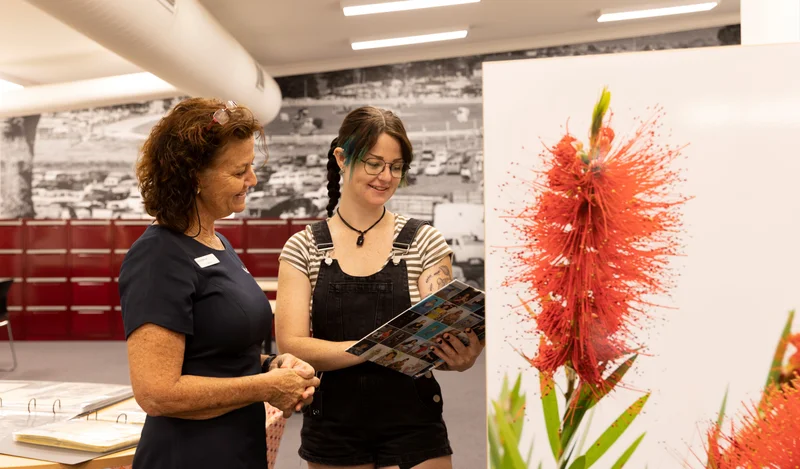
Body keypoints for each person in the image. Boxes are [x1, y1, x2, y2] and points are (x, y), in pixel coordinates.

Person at [276, 105, 484, 469]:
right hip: (333, 427)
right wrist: (382, 348)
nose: (385, 176)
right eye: (373, 163)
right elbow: (293, 345)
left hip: (414, 423)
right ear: (342, 158)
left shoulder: (424, 242)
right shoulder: (303, 247)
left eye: (396, 166)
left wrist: (460, 358)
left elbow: (443, 332)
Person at [119, 97, 320, 469]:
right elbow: (157, 393)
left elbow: (217, 356)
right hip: (187, 455)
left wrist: (273, 365)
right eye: (239, 170)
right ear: (194, 176)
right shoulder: (158, 257)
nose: (252, 180)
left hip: (237, 445)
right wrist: (266, 387)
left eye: (252, 166)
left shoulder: (216, 241)